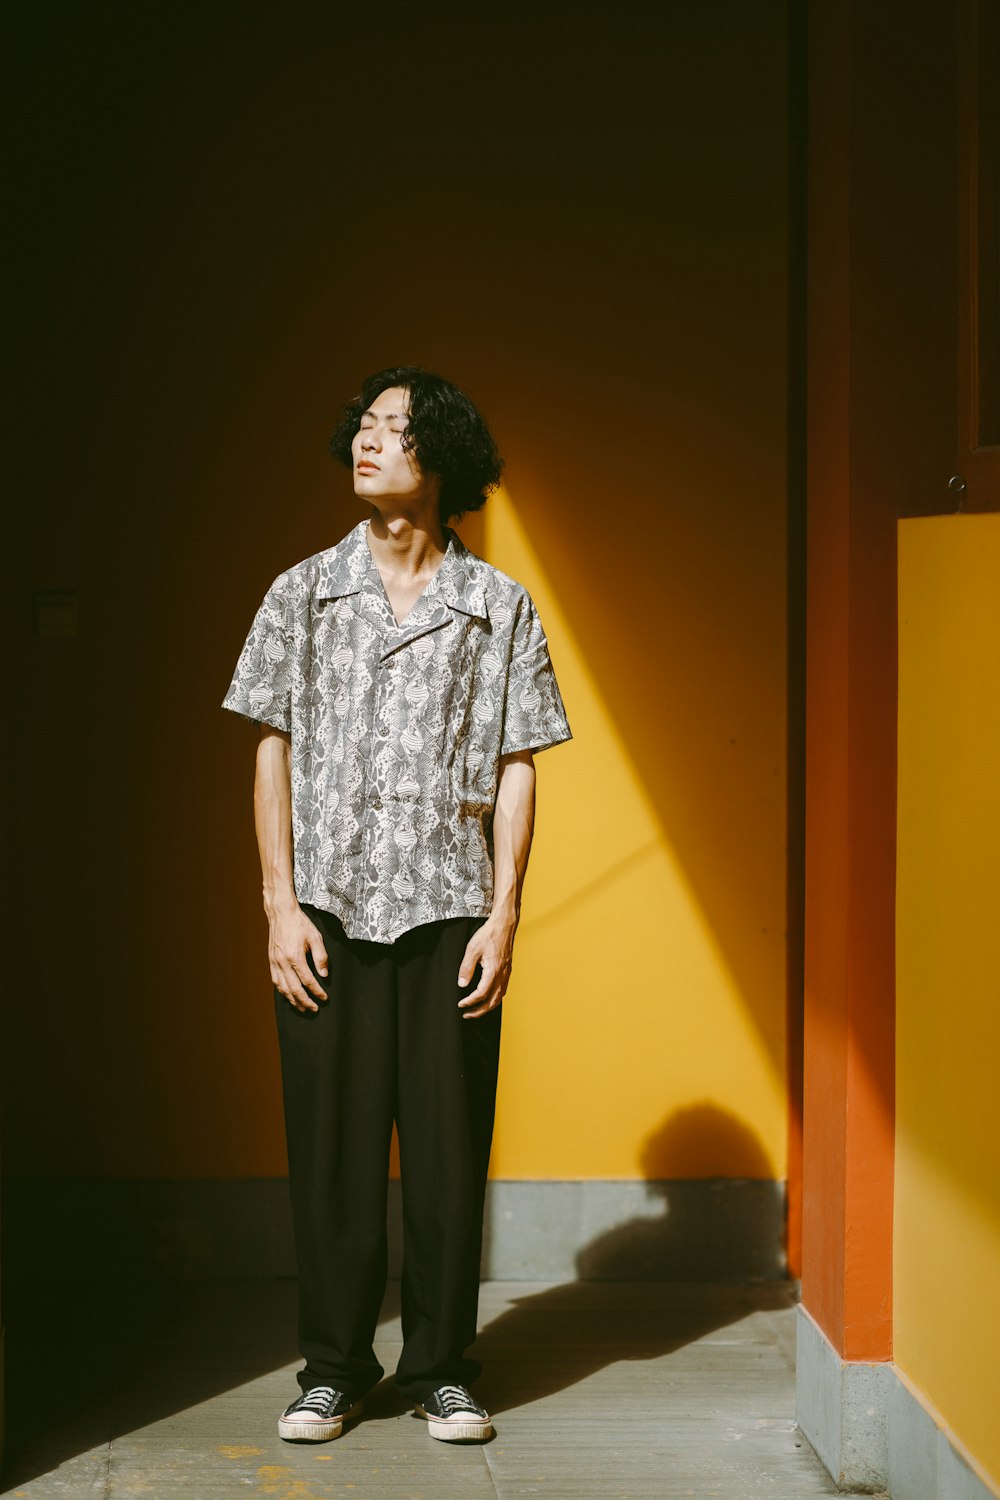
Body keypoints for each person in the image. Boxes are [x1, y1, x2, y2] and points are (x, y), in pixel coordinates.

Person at [222, 365, 572, 1444]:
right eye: (362, 428)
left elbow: (520, 763)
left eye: (394, 430)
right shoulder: (300, 593)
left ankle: (442, 1371)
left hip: (448, 915)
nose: (368, 444)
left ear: (445, 461)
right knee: (330, 1155)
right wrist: (280, 907)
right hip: (325, 911)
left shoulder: (497, 607)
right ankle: (331, 1368)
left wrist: (504, 915)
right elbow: (270, 749)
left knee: (447, 1153)